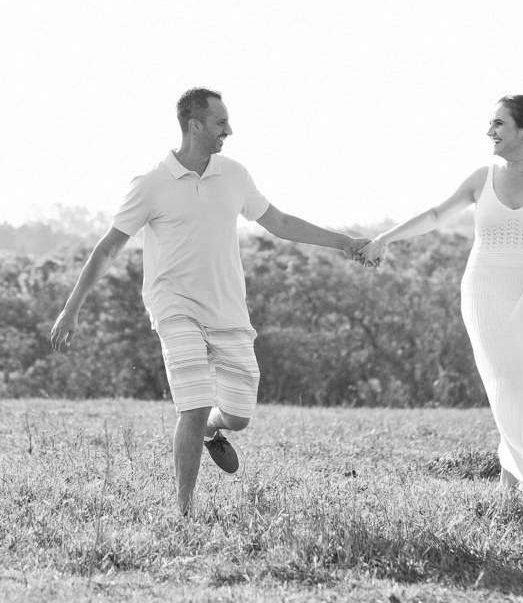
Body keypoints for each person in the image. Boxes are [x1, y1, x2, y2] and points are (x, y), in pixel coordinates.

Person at [50, 88, 371, 513]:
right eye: (221, 122)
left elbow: (279, 222)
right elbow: (108, 248)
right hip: (174, 305)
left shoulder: (234, 175)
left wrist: (344, 243)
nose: (229, 130)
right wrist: (71, 308)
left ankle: (210, 429)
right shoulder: (151, 184)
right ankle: (184, 510)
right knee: (195, 402)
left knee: (236, 416)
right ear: (195, 125)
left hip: (228, 309)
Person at [358, 95, 523, 491]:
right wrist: (385, 239)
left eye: (498, 124)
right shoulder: (482, 177)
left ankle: (513, 484)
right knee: (507, 379)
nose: (489, 132)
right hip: (484, 289)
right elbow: (437, 214)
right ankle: (513, 487)